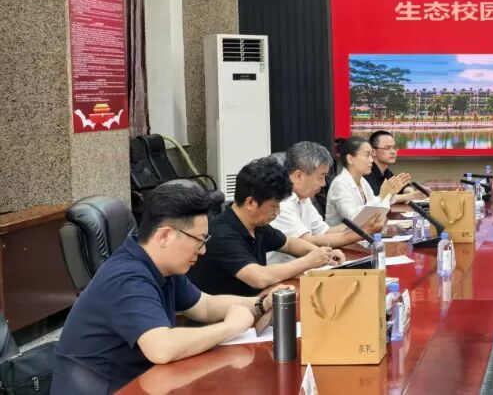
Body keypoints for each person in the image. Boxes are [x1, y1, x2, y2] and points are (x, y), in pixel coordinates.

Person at [52, 182, 291, 394]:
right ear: (165, 236)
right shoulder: (127, 277)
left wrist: (260, 303)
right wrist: (230, 327)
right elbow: (161, 347)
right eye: (199, 240)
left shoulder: (163, 265)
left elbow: (205, 306)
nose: (203, 250)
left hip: (142, 381)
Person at [188, 157, 345, 296]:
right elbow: (259, 277)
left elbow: (289, 243)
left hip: (253, 305)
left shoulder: (257, 226)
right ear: (251, 202)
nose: (277, 212)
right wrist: (309, 261)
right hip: (223, 315)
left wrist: (322, 254)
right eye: (274, 206)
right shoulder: (221, 234)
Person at [268, 141, 370, 264]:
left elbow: (324, 232)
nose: (324, 183)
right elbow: (307, 240)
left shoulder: (304, 198)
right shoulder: (282, 202)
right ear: (299, 176)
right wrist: (363, 233)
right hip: (285, 271)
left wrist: (362, 227)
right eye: (321, 177)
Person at [326, 136, 409, 226]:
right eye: (367, 155)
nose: (371, 160)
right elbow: (354, 220)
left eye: (371, 156)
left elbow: (376, 211)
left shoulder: (362, 181)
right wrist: (382, 196)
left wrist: (388, 194)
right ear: (350, 159)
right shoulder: (340, 184)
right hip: (343, 234)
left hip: (364, 232)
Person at [366, 130, 426, 203]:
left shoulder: (386, 172)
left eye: (394, 147)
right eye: (387, 148)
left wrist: (411, 191)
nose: (393, 152)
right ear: (373, 152)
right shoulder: (367, 172)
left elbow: (401, 187)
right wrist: (411, 196)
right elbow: (377, 198)